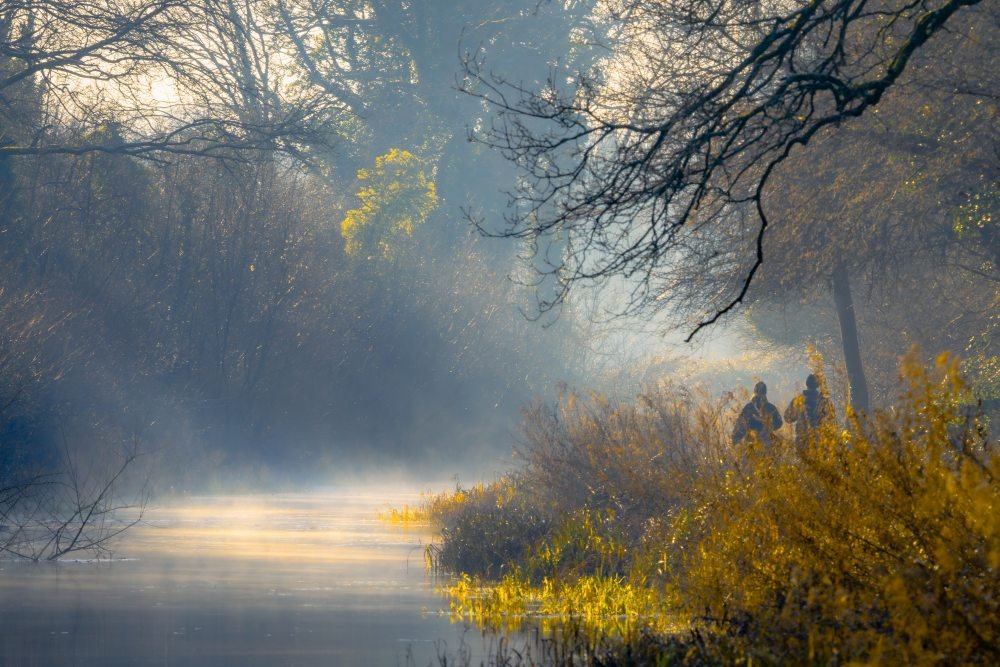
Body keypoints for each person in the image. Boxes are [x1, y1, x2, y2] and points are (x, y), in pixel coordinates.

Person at [784, 374, 832, 446]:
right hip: (819, 440)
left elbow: (787, 418)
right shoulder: (823, 401)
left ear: (806, 384)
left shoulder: (798, 400)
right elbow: (830, 419)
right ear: (818, 385)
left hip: (801, 439)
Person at [732, 381, 783, 447]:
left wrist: (735, 441)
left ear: (754, 392)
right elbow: (779, 423)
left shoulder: (748, 407)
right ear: (765, 392)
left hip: (751, 444)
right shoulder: (771, 407)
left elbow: (739, 426)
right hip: (767, 444)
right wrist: (769, 427)